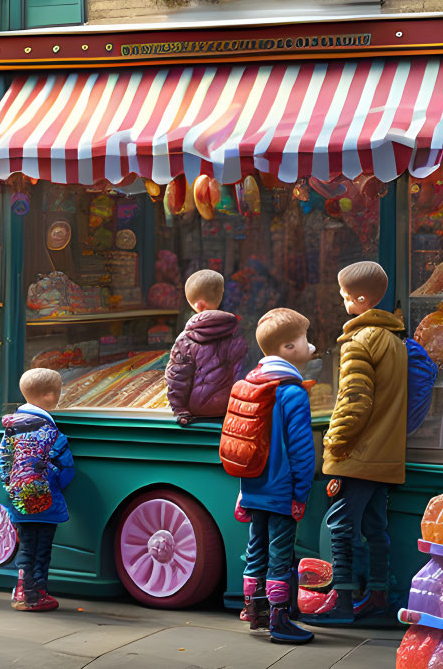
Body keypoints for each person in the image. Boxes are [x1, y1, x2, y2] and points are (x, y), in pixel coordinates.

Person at [309, 261, 407, 625]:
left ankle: (343, 601)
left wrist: (334, 443)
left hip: (357, 456)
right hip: (385, 456)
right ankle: (377, 598)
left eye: (343, 294)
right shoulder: (395, 341)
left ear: (360, 299)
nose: (341, 299)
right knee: (375, 529)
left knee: (340, 526)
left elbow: (354, 401)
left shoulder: (358, 342)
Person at [228, 308, 317, 644]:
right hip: (281, 491)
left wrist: (243, 490)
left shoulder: (250, 383)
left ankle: (255, 613)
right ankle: (280, 622)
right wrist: (301, 493)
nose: (310, 346)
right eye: (304, 341)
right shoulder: (292, 392)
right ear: (288, 349)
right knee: (281, 554)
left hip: (251, 486)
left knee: (256, 549)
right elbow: (302, 451)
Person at [0, 368, 75, 612]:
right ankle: (37, 594)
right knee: (42, 549)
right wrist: (54, 484)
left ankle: (21, 590)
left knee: (26, 546)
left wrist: (12, 486)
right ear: (50, 396)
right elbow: (66, 469)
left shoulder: (10, 430)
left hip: (19, 499)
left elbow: (3, 463)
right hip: (46, 501)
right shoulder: (53, 433)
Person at [167, 269, 250, 426]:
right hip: (229, 410)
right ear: (221, 295)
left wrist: (179, 409)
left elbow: (177, 377)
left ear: (197, 304)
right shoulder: (237, 334)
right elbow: (241, 374)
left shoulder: (185, 339)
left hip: (196, 411)